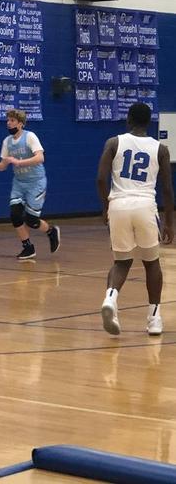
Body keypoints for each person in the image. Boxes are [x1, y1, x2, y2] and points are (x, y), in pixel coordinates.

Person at [97, 102, 174, 336]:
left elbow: (100, 179)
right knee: (152, 263)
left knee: (121, 262)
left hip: (118, 205)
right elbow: (167, 189)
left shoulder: (113, 142)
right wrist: (170, 223)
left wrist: (106, 206)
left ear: (128, 120)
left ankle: (110, 298)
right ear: (149, 122)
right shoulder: (160, 149)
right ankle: (154, 319)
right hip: (145, 206)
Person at [0, 109, 60, 260]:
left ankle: (51, 231)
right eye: (8, 120)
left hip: (36, 182)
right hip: (19, 183)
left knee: (31, 220)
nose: (8, 123)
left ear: (20, 123)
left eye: (12, 121)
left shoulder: (30, 136)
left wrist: (19, 162)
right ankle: (28, 247)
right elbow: (3, 166)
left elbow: (40, 158)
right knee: (15, 215)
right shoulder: (7, 142)